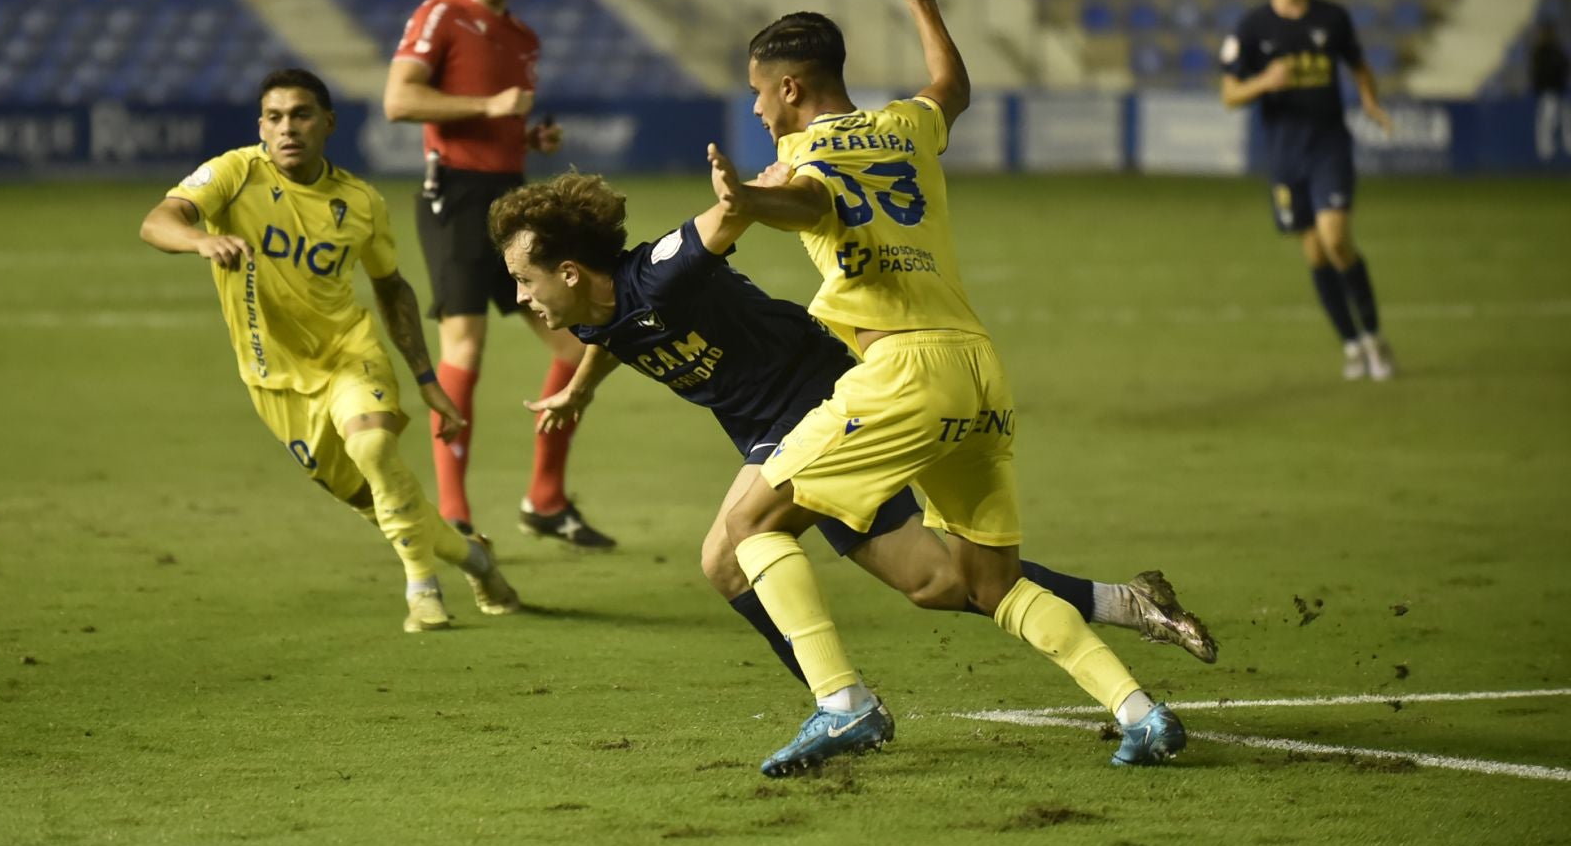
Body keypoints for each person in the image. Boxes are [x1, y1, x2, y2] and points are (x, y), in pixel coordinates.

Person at [701, 0, 1187, 776]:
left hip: (903, 374)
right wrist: (924, 5)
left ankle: (841, 704)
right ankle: (1138, 711)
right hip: (979, 372)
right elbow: (951, 85)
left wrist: (745, 198)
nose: (754, 109)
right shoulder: (905, 126)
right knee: (987, 584)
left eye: (758, 94)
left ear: (789, 87)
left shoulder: (800, 153)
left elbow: (812, 205)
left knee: (746, 528)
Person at [487, 172, 1217, 694]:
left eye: (525, 279)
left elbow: (721, 223)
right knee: (937, 583)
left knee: (726, 554)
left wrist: (750, 191)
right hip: (771, 429)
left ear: (573, 269)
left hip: (820, 403)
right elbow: (611, 335)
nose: (521, 297)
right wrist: (576, 394)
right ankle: (1131, 603)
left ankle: (839, 704)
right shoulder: (587, 308)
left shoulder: (657, 273)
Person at [139, 68, 521, 634]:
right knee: (377, 498)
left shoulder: (360, 202)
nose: (287, 128)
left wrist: (424, 377)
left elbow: (392, 288)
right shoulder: (235, 172)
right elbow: (158, 220)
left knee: (372, 445)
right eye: (274, 117)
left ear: (328, 124)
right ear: (261, 126)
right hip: (272, 378)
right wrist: (201, 238)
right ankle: (476, 559)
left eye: (301, 115)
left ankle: (423, 590)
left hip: (348, 353)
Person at [382, 0, 616, 549]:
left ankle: (544, 500)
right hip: (454, 194)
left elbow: (496, 121)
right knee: (465, 348)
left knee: (575, 348)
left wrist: (526, 135)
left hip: (509, 200)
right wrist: (490, 107)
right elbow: (399, 100)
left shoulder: (523, 39)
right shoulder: (442, 14)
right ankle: (454, 519)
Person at [1221, 0, 1395, 381]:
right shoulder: (1252, 27)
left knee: (1337, 238)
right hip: (1284, 154)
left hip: (1329, 144)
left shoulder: (1332, 18)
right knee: (1316, 253)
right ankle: (1352, 345)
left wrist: (1370, 100)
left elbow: (1358, 65)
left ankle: (1375, 338)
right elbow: (1229, 94)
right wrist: (1263, 83)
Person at [1530, 20, 1567, 162]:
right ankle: (1547, 153)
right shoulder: (1540, 52)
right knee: (1547, 121)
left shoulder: (1557, 51)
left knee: (1560, 120)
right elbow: (1537, 73)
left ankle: (1558, 151)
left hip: (1559, 91)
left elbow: (1564, 67)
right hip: (1547, 92)